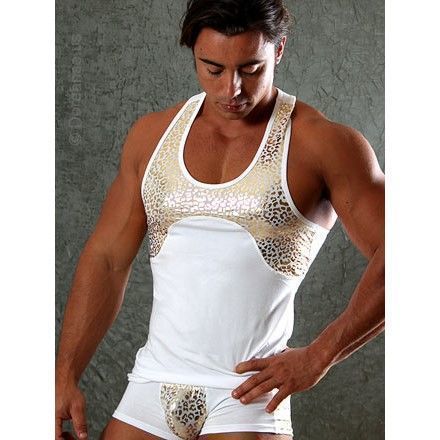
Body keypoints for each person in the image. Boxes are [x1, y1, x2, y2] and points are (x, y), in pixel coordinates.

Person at [55, 0, 385, 439]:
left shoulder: (324, 144)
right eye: (213, 69)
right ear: (194, 53)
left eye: (251, 69)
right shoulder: (151, 136)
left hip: (248, 395)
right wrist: (64, 374)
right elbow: (108, 259)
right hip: (151, 385)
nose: (232, 89)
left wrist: (321, 354)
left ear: (279, 50)